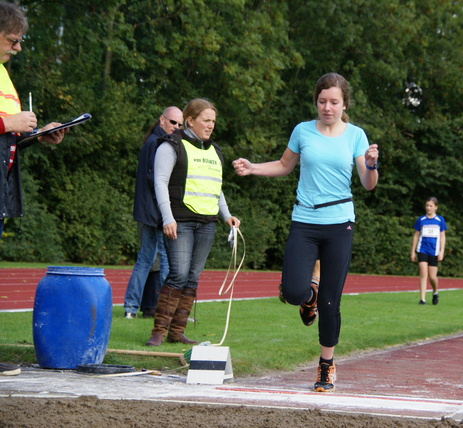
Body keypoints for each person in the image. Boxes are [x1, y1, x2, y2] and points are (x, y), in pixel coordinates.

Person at [233, 72, 379, 393]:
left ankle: (326, 366)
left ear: (344, 104)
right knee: (293, 291)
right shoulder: (302, 131)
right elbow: (285, 165)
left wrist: (370, 165)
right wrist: (253, 167)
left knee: (331, 301)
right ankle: (306, 297)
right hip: (305, 221)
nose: (327, 107)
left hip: (340, 223)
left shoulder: (356, 135)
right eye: (322, 101)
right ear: (316, 101)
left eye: (334, 102)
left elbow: (368, 184)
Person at [146, 98, 240, 346]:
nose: (211, 126)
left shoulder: (214, 150)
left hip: (207, 223)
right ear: (190, 120)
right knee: (178, 274)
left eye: (213, 121)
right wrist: (167, 218)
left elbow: (215, 187)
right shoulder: (170, 145)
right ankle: (158, 332)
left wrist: (227, 215)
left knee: (192, 277)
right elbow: (160, 183)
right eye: (206, 120)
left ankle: (177, 332)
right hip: (180, 220)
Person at [0, 1, 67, 238]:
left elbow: (7, 139)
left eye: (20, 41)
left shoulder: (3, 73)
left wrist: (37, 135)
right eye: (12, 40)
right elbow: (6, 127)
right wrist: (8, 124)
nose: (18, 48)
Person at [123, 107, 183, 319]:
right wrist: (166, 212)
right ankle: (164, 309)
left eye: (179, 124)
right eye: (173, 122)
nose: (176, 127)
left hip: (151, 211)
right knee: (160, 260)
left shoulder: (152, 142)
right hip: (155, 213)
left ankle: (133, 309)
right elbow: (156, 181)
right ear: (162, 120)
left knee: (149, 259)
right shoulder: (157, 144)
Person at [410, 197, 447, 305]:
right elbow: (416, 236)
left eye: (431, 206)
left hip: (434, 251)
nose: (428, 208)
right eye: (427, 205)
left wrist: (441, 251)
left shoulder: (440, 220)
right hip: (422, 249)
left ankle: (435, 292)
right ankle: (422, 299)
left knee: (432, 277)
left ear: (436, 207)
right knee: (423, 273)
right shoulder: (421, 220)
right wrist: (413, 251)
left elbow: (443, 237)